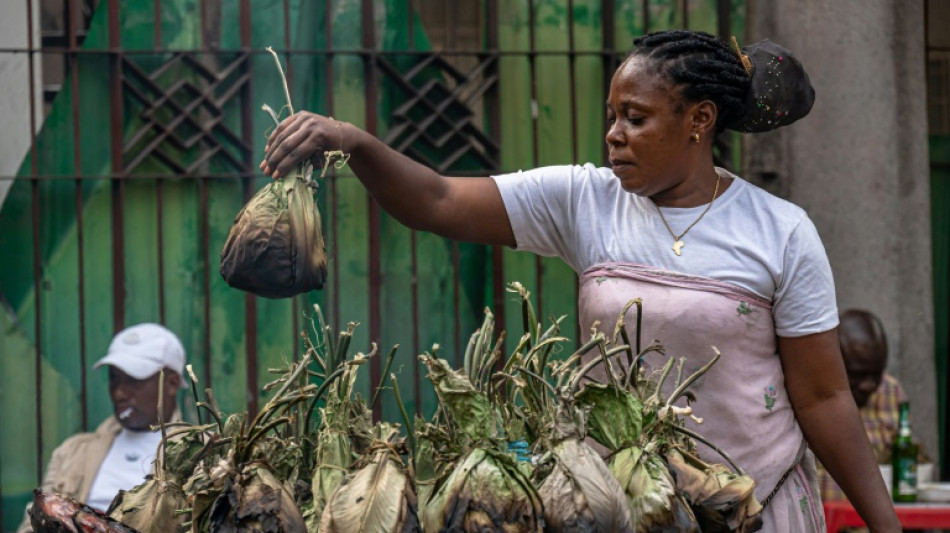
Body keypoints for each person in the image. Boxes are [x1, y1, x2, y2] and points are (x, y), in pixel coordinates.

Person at [260, 29, 900, 532]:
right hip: (619, 507)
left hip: (754, 509)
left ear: (699, 120)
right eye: (612, 115)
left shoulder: (781, 232)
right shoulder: (585, 200)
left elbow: (823, 399)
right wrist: (353, 143)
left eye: (636, 118)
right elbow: (437, 202)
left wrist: (885, 526)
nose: (613, 135)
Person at [17, 323, 185, 533]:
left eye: (134, 380)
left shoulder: (205, 457)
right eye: (114, 379)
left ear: (171, 383)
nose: (119, 393)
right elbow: (31, 525)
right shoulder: (73, 452)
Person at [819, 309, 924, 502]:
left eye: (876, 374)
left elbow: (913, 460)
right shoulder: (813, 393)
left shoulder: (891, 390)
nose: (869, 386)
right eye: (857, 375)